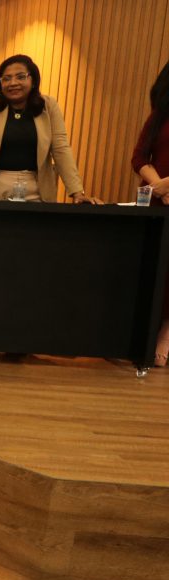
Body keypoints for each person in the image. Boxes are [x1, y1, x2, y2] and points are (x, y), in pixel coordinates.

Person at [0, 54, 100, 203]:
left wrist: (77, 193)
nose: (13, 83)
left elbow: (61, 148)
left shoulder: (49, 106)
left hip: (36, 189)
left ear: (33, 81)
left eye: (21, 77)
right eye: (6, 79)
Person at [130, 59, 169, 366]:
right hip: (157, 203)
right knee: (156, 267)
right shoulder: (159, 115)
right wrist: (159, 187)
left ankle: (165, 334)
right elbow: (139, 157)